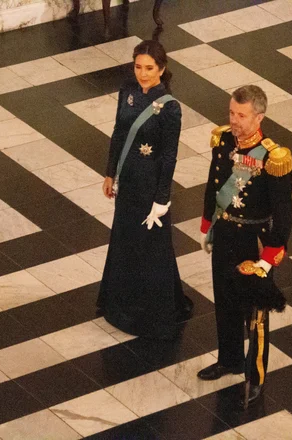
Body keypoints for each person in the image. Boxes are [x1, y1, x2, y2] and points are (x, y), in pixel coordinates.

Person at [196, 85, 292, 407]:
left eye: (241, 115)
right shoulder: (223, 140)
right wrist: (208, 224)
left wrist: (270, 256)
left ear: (259, 116)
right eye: (231, 113)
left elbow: (283, 213)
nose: (234, 121)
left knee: (255, 314)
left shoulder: (273, 158)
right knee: (224, 299)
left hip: (253, 243)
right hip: (225, 234)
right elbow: (213, 182)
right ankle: (230, 359)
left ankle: (255, 375)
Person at [97, 40, 192, 340]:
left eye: (149, 68)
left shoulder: (170, 108)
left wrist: (162, 198)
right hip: (128, 181)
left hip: (150, 186)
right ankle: (120, 302)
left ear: (161, 69)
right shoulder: (127, 91)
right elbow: (118, 131)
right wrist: (110, 172)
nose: (143, 73)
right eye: (138, 67)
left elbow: (169, 156)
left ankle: (151, 309)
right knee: (125, 240)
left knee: (151, 248)